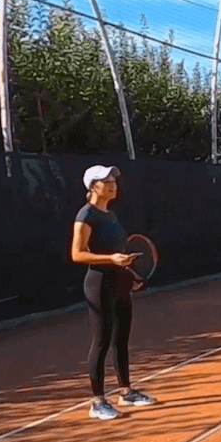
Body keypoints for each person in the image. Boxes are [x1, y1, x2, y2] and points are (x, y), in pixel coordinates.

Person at [70, 165, 156, 420]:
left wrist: (130, 274)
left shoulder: (110, 215)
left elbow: (119, 251)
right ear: (93, 186)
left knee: (121, 340)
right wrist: (110, 259)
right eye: (106, 182)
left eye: (113, 181)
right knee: (101, 342)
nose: (112, 185)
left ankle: (126, 391)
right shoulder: (86, 215)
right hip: (98, 284)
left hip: (120, 283)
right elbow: (77, 254)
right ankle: (97, 402)